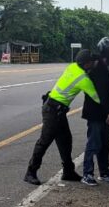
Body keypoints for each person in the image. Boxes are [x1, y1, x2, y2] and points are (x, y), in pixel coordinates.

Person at [24, 49, 101, 186]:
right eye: (92, 61)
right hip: (53, 111)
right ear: (86, 63)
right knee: (44, 141)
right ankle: (30, 172)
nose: (94, 63)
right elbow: (97, 99)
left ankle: (68, 172)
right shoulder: (83, 79)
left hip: (56, 109)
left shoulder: (72, 66)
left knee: (65, 141)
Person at [81, 37, 109, 186]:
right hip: (96, 111)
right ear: (108, 52)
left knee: (104, 144)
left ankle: (104, 172)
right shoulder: (98, 67)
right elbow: (101, 93)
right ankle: (87, 173)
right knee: (94, 143)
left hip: (105, 109)